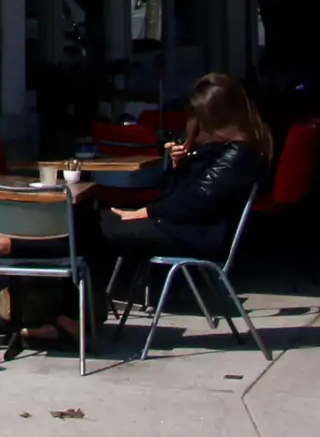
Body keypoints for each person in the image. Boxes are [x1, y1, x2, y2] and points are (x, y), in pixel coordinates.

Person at [90, 73, 271, 323]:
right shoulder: (216, 148)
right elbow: (174, 194)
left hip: (194, 234)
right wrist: (178, 165)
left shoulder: (239, 153)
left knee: (93, 229)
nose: (198, 123)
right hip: (179, 225)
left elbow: (196, 202)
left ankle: (80, 313)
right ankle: (77, 312)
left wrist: (146, 212)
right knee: (89, 221)